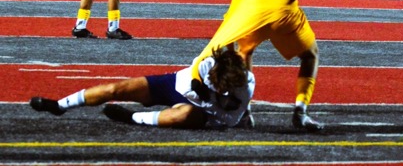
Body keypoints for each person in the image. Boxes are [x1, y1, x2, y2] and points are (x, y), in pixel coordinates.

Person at [192, 0, 399, 131]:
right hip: (284, 14)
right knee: (310, 56)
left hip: (250, 17)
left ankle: (244, 111)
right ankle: (300, 112)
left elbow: (232, 17)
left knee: (244, 54)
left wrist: (230, 53)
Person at [29, 48, 256, 129]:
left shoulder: (244, 90)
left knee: (185, 114)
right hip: (174, 85)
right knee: (117, 89)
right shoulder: (209, 62)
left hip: (200, 111)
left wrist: (209, 100)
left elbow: (226, 121)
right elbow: (198, 66)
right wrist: (201, 86)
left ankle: (134, 118)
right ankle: (60, 105)